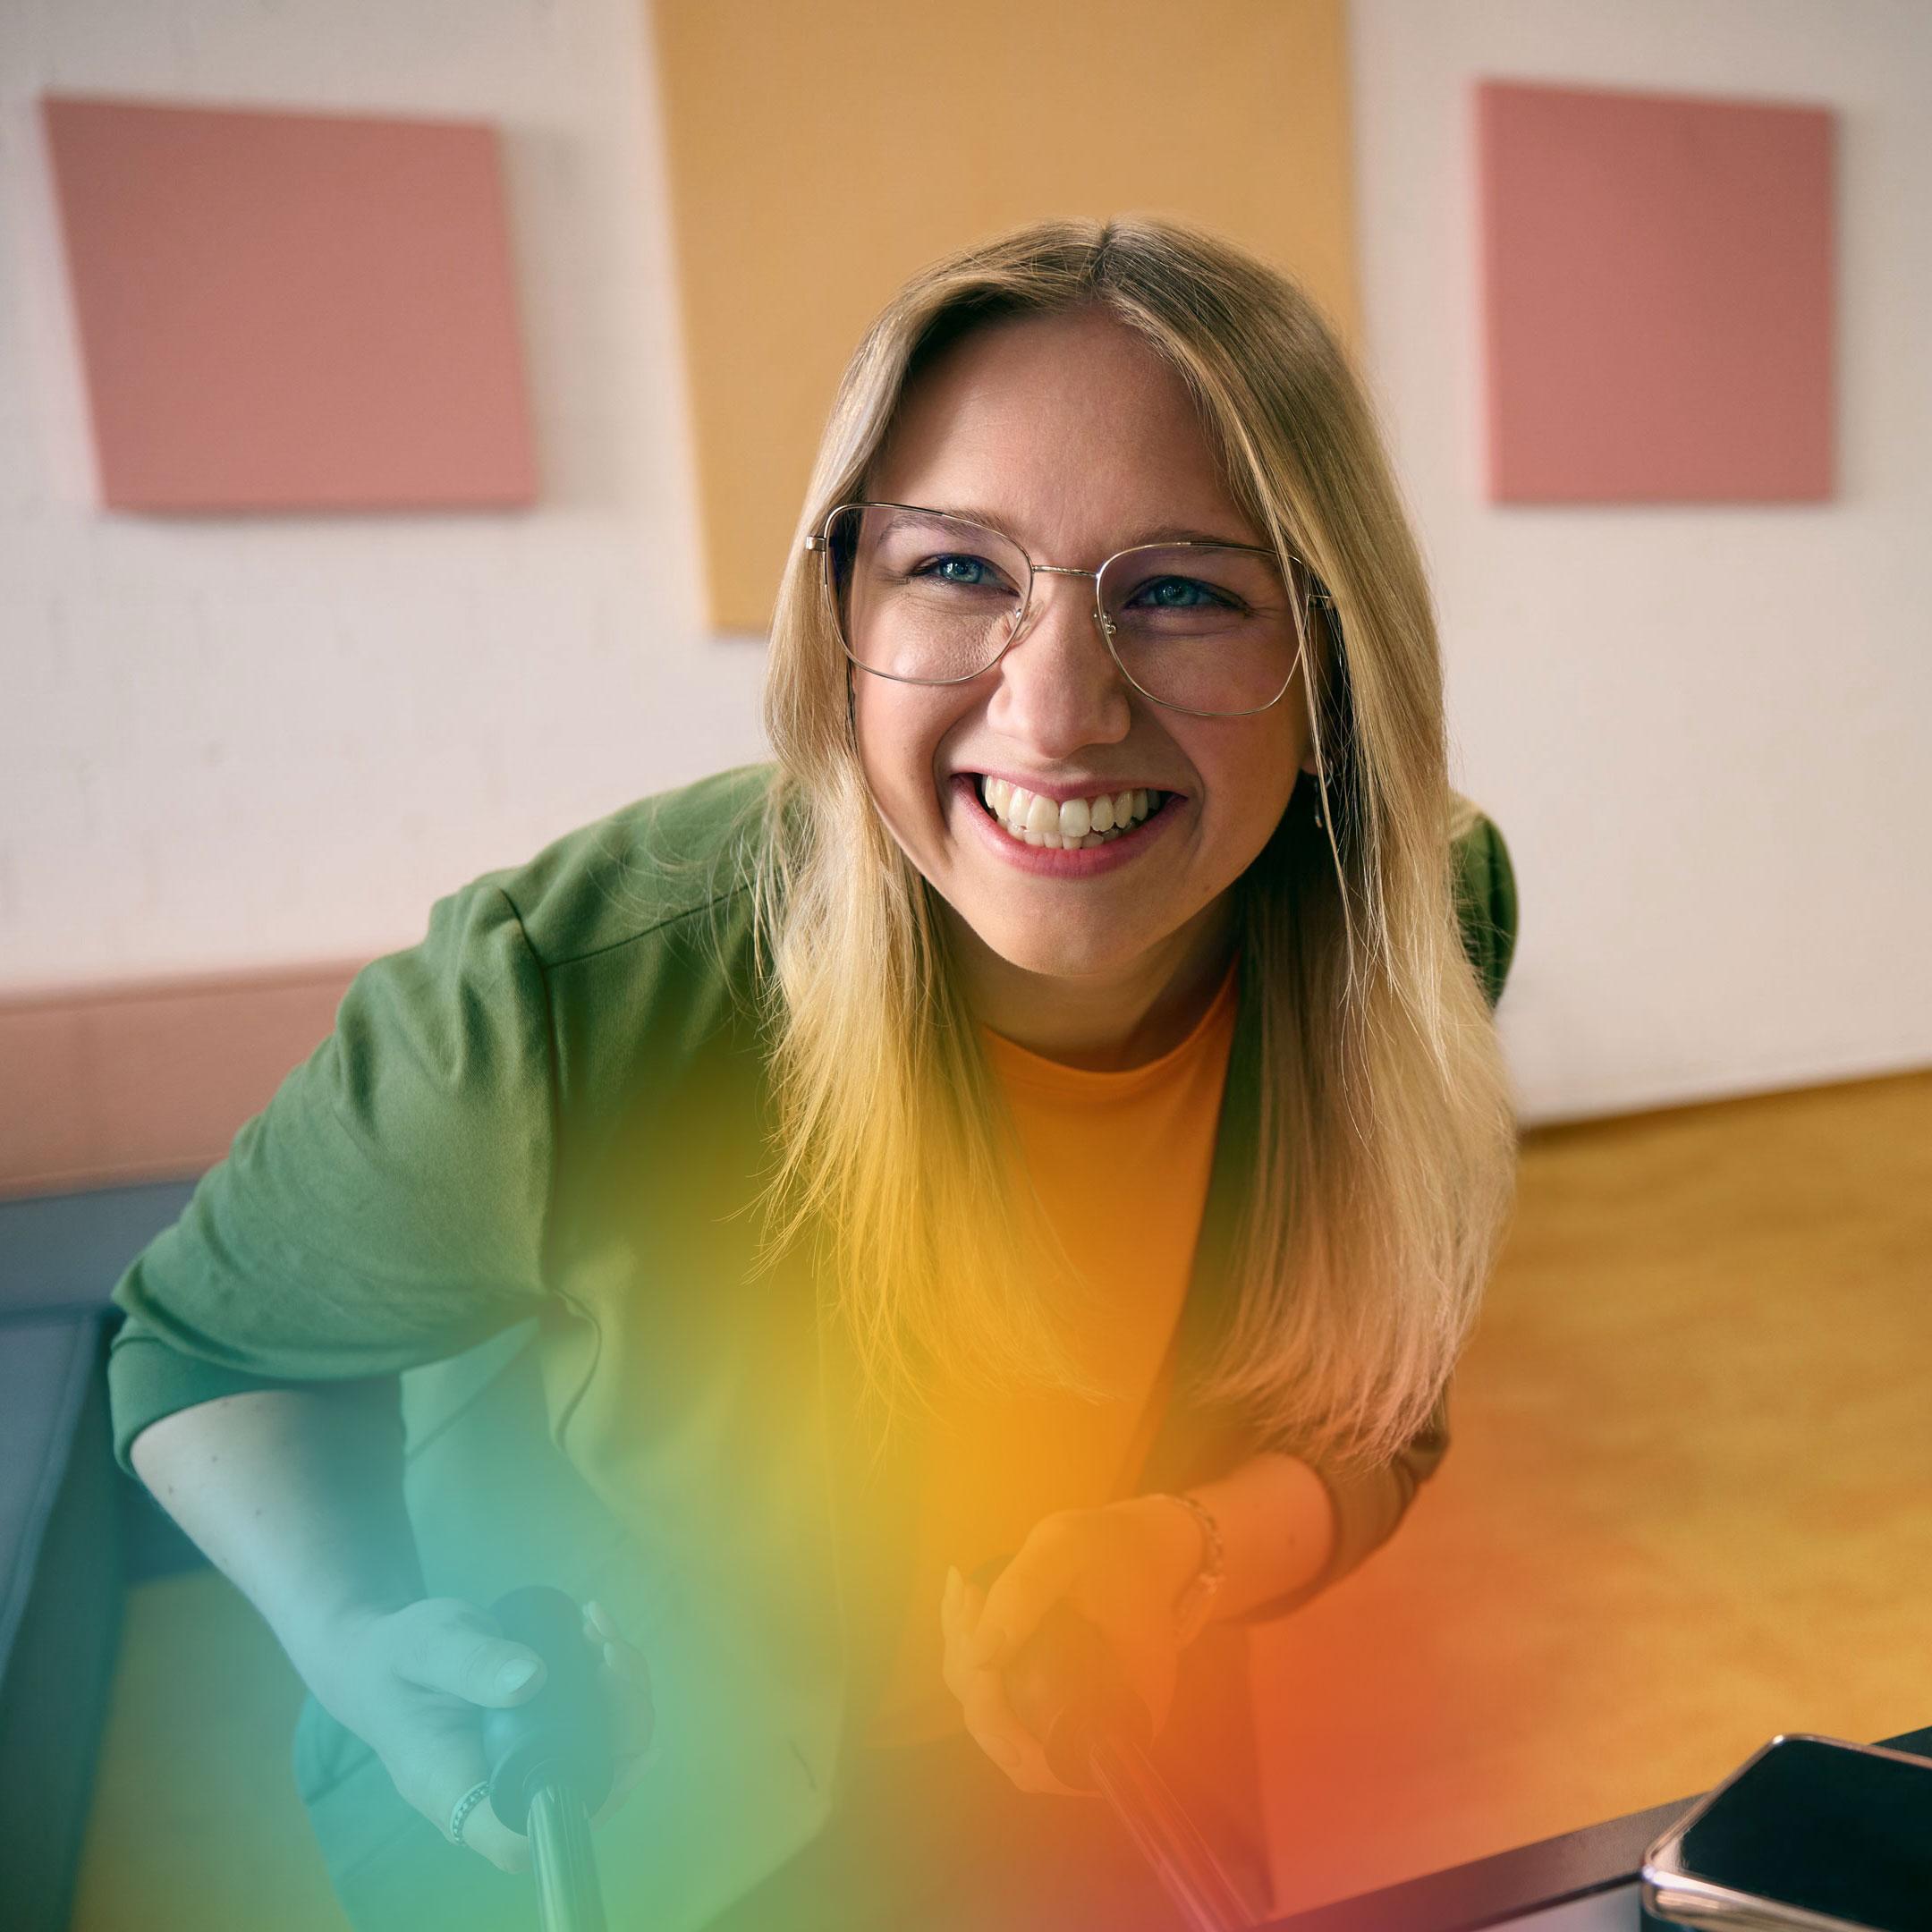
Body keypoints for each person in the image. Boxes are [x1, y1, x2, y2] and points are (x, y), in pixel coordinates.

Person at [108, 215, 1520, 1932]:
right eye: (955, 569)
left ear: (1335, 656)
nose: (1060, 708)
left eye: (1182, 591)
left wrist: (1181, 1554)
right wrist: (349, 1638)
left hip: (1101, 1799)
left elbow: (1372, 1422)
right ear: (836, 608)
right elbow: (199, 1345)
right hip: (627, 1839)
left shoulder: (1417, 929)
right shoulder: (561, 1002)